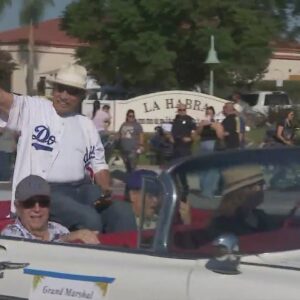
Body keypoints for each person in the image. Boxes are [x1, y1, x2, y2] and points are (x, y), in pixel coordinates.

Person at [0, 63, 133, 233]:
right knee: (89, 219)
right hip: (43, 192)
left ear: (82, 96)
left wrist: (105, 189)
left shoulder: (86, 125)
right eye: (60, 89)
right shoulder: (33, 108)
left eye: (72, 91)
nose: (64, 95)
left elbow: (99, 166)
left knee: (123, 213)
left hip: (82, 189)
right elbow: (2, 99)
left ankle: (124, 255)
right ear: (53, 89)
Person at [1, 175, 100, 244]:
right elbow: (33, 256)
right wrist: (67, 239)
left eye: (43, 202)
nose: (37, 209)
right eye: (29, 203)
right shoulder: (10, 235)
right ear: (17, 207)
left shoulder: (60, 229)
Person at [211, 165, 267, 236]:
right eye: (258, 186)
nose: (262, 190)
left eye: (263, 185)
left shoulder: (260, 216)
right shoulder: (223, 224)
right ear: (240, 192)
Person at [171, 103, 197, 198]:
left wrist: (191, 138)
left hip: (185, 147)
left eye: (183, 110)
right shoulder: (175, 120)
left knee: (183, 169)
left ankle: (185, 187)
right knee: (174, 168)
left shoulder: (190, 120)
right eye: (180, 110)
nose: (182, 112)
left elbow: (195, 131)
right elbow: (172, 133)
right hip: (176, 146)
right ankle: (176, 187)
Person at [118, 109, 144, 173]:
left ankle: (133, 181)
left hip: (133, 150)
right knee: (127, 167)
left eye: (133, 116)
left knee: (132, 167)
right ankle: (128, 180)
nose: (131, 117)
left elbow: (141, 135)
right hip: (124, 150)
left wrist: (141, 145)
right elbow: (119, 134)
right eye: (130, 116)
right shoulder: (123, 124)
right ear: (127, 116)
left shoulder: (137, 125)